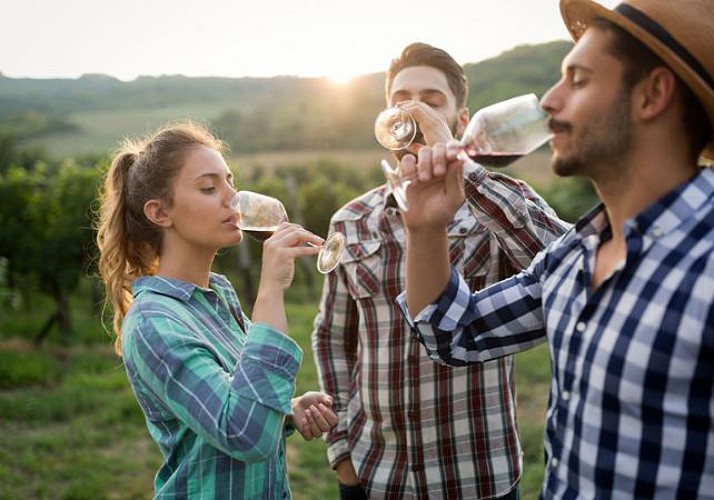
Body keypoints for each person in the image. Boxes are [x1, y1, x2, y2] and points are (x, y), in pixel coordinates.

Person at [397, 0, 714, 498]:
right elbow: (451, 334)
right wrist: (426, 230)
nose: (548, 100)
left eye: (579, 79)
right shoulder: (574, 254)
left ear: (652, 94)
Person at [311, 42, 570, 499]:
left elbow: (573, 267)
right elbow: (333, 337)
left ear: (461, 121)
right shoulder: (349, 221)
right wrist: (344, 454)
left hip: (477, 475)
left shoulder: (496, 208)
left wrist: (462, 167)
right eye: (400, 101)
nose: (414, 112)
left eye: (431, 102)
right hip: (375, 474)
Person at [95, 122, 338, 499]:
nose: (233, 199)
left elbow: (234, 397)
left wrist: (287, 409)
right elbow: (246, 435)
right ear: (160, 213)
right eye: (209, 188)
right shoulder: (154, 323)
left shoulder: (218, 294)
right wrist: (271, 289)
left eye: (230, 181)